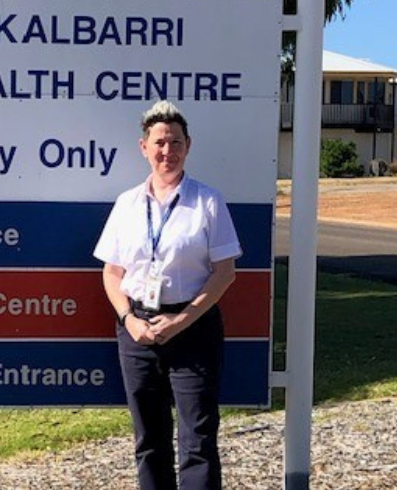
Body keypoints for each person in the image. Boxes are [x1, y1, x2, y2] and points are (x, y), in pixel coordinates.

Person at [93, 100, 242, 490]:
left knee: (198, 440)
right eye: (159, 142)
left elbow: (225, 272)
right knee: (150, 440)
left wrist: (182, 320)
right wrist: (129, 319)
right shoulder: (127, 204)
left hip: (192, 329)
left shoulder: (207, 201)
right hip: (138, 332)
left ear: (188, 146)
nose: (167, 151)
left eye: (175, 142)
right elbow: (111, 272)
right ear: (144, 147)